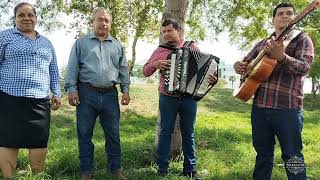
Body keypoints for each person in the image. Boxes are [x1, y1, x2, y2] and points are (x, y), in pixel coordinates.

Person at [233, 3, 314, 180]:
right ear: (273, 20)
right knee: (263, 154)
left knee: (292, 156)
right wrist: (238, 66)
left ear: (295, 18)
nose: (284, 16)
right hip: (260, 108)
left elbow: (304, 68)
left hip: (288, 109)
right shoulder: (263, 43)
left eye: (289, 13)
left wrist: (282, 57)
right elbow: (245, 63)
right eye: (280, 14)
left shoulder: (302, 39)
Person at [143, 18, 217, 179]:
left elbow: (204, 70)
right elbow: (145, 71)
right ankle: (162, 168)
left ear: (178, 30)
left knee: (188, 133)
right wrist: (155, 65)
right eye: (164, 32)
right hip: (167, 97)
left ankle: (190, 169)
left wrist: (212, 78)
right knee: (165, 132)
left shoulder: (192, 47)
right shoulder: (160, 50)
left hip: (189, 98)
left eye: (169, 30)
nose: (166, 34)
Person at [65, 7, 130, 180]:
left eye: (106, 20)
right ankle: (86, 171)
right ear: (92, 22)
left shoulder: (117, 45)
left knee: (113, 134)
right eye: (99, 19)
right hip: (86, 93)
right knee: (85, 133)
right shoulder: (81, 43)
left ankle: (115, 169)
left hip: (110, 95)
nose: (103, 23)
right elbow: (73, 67)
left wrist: (125, 90)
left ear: (110, 24)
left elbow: (123, 69)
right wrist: (71, 89)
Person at [0, 2, 61, 179]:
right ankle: (9, 177)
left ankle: (37, 176)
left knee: (39, 141)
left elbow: (54, 70)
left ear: (36, 18)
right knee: (8, 140)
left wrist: (56, 92)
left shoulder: (46, 42)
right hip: (9, 97)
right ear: (15, 18)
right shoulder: (4, 37)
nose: (26, 18)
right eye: (21, 15)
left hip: (40, 99)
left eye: (30, 15)